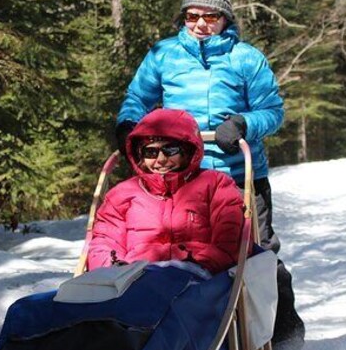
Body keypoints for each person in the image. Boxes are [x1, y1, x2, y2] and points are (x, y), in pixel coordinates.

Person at [114, 0, 305, 343]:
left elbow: (273, 111)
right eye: (192, 15)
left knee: (258, 256)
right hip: (184, 178)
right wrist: (128, 124)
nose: (201, 24)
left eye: (210, 16)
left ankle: (282, 336)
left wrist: (243, 124)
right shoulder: (163, 55)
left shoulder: (246, 58)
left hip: (239, 175)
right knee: (189, 258)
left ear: (225, 18)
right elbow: (137, 98)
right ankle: (192, 339)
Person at [88, 108, 244, 276]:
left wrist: (201, 265)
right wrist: (115, 270)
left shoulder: (215, 185)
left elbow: (230, 241)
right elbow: (105, 242)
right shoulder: (121, 195)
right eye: (151, 152)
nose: (160, 159)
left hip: (198, 277)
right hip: (134, 279)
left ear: (187, 151)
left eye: (170, 150)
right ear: (140, 155)